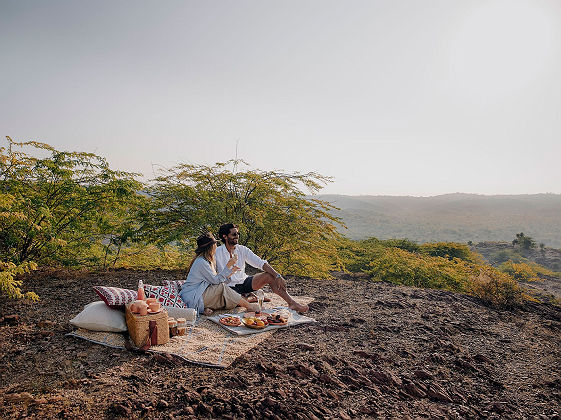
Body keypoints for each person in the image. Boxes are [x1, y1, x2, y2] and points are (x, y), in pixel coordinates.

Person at [216, 223, 309, 313]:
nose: (237, 236)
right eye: (234, 234)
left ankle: (292, 303)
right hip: (229, 287)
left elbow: (260, 263)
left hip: (244, 282)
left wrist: (278, 276)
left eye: (238, 234)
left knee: (269, 276)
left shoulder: (242, 249)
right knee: (232, 303)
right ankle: (248, 297)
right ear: (225, 236)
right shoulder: (217, 252)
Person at [179, 232, 261, 315]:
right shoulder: (201, 262)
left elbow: (215, 279)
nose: (216, 246)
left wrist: (230, 272)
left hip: (199, 292)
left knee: (223, 295)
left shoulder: (207, 260)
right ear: (211, 247)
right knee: (222, 288)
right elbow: (216, 281)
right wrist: (228, 266)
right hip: (193, 295)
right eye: (215, 244)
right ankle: (248, 306)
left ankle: (204, 308)